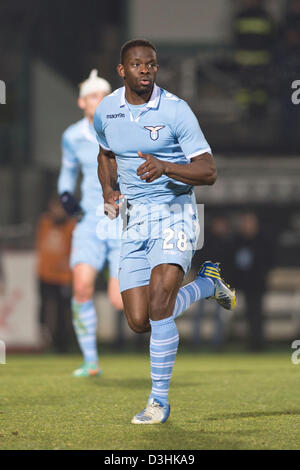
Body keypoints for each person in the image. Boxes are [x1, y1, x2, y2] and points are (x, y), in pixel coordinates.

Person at [94, 38, 236, 424]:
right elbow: (105, 154)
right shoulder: (107, 111)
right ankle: (208, 285)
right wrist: (109, 191)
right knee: (139, 320)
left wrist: (166, 166)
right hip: (134, 220)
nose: (145, 70)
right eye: (137, 65)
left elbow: (208, 171)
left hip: (176, 215)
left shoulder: (176, 111)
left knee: (160, 307)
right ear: (122, 70)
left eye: (152, 65)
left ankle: (158, 402)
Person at [58, 70, 123, 377]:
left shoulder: (124, 129)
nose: (100, 101)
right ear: (82, 102)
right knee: (81, 286)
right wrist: (64, 194)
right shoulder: (72, 136)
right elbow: (68, 172)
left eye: (105, 95)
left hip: (121, 218)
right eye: (94, 96)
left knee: (120, 301)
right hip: (89, 219)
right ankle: (90, 361)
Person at [36, 196, 76, 353]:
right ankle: (47, 339)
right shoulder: (44, 222)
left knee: (63, 312)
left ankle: (63, 344)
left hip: (63, 277)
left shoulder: (71, 226)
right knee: (45, 309)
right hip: (45, 274)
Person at [231, 213, 274, 351]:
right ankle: (251, 341)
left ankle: (259, 342)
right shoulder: (239, 241)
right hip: (245, 283)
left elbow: (269, 261)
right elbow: (233, 261)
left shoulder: (262, 241)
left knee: (257, 313)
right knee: (248, 314)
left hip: (258, 283)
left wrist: (264, 275)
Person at [233, 0, 276, 117]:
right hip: (246, 61)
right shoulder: (242, 16)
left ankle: (259, 114)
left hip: (260, 61)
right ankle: (244, 113)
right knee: (245, 90)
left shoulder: (264, 16)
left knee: (260, 91)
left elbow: (271, 38)